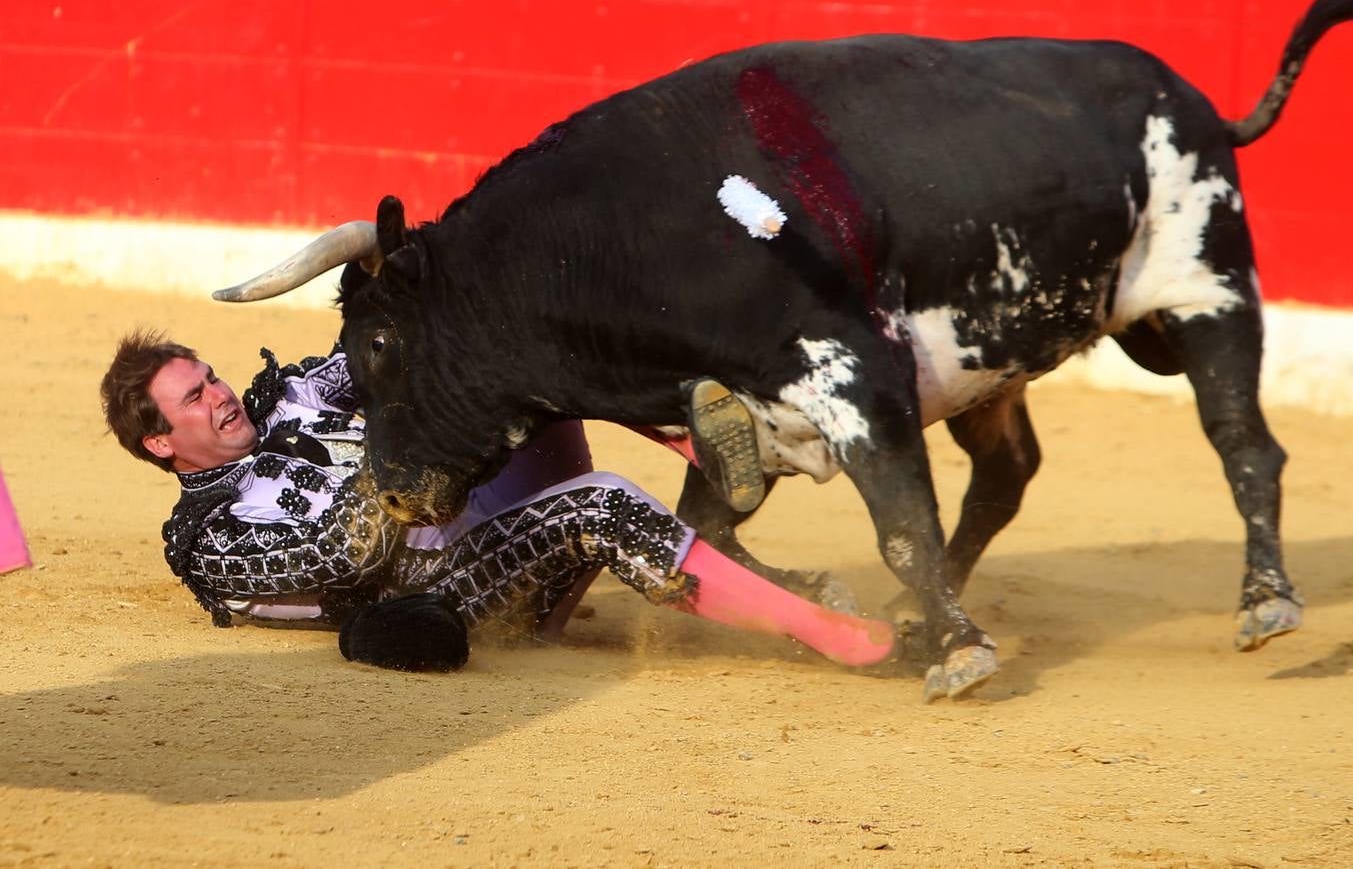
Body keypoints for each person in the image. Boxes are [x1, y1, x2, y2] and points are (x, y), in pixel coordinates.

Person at [100, 329, 902, 672]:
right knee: (595, 505)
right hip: (448, 594)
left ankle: (709, 443)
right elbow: (349, 553)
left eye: (209, 377)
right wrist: (421, 442)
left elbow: (397, 353)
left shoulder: (292, 394)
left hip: (479, 508)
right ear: (160, 444)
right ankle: (817, 629)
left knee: (521, 371)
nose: (220, 395)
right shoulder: (212, 537)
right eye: (193, 400)